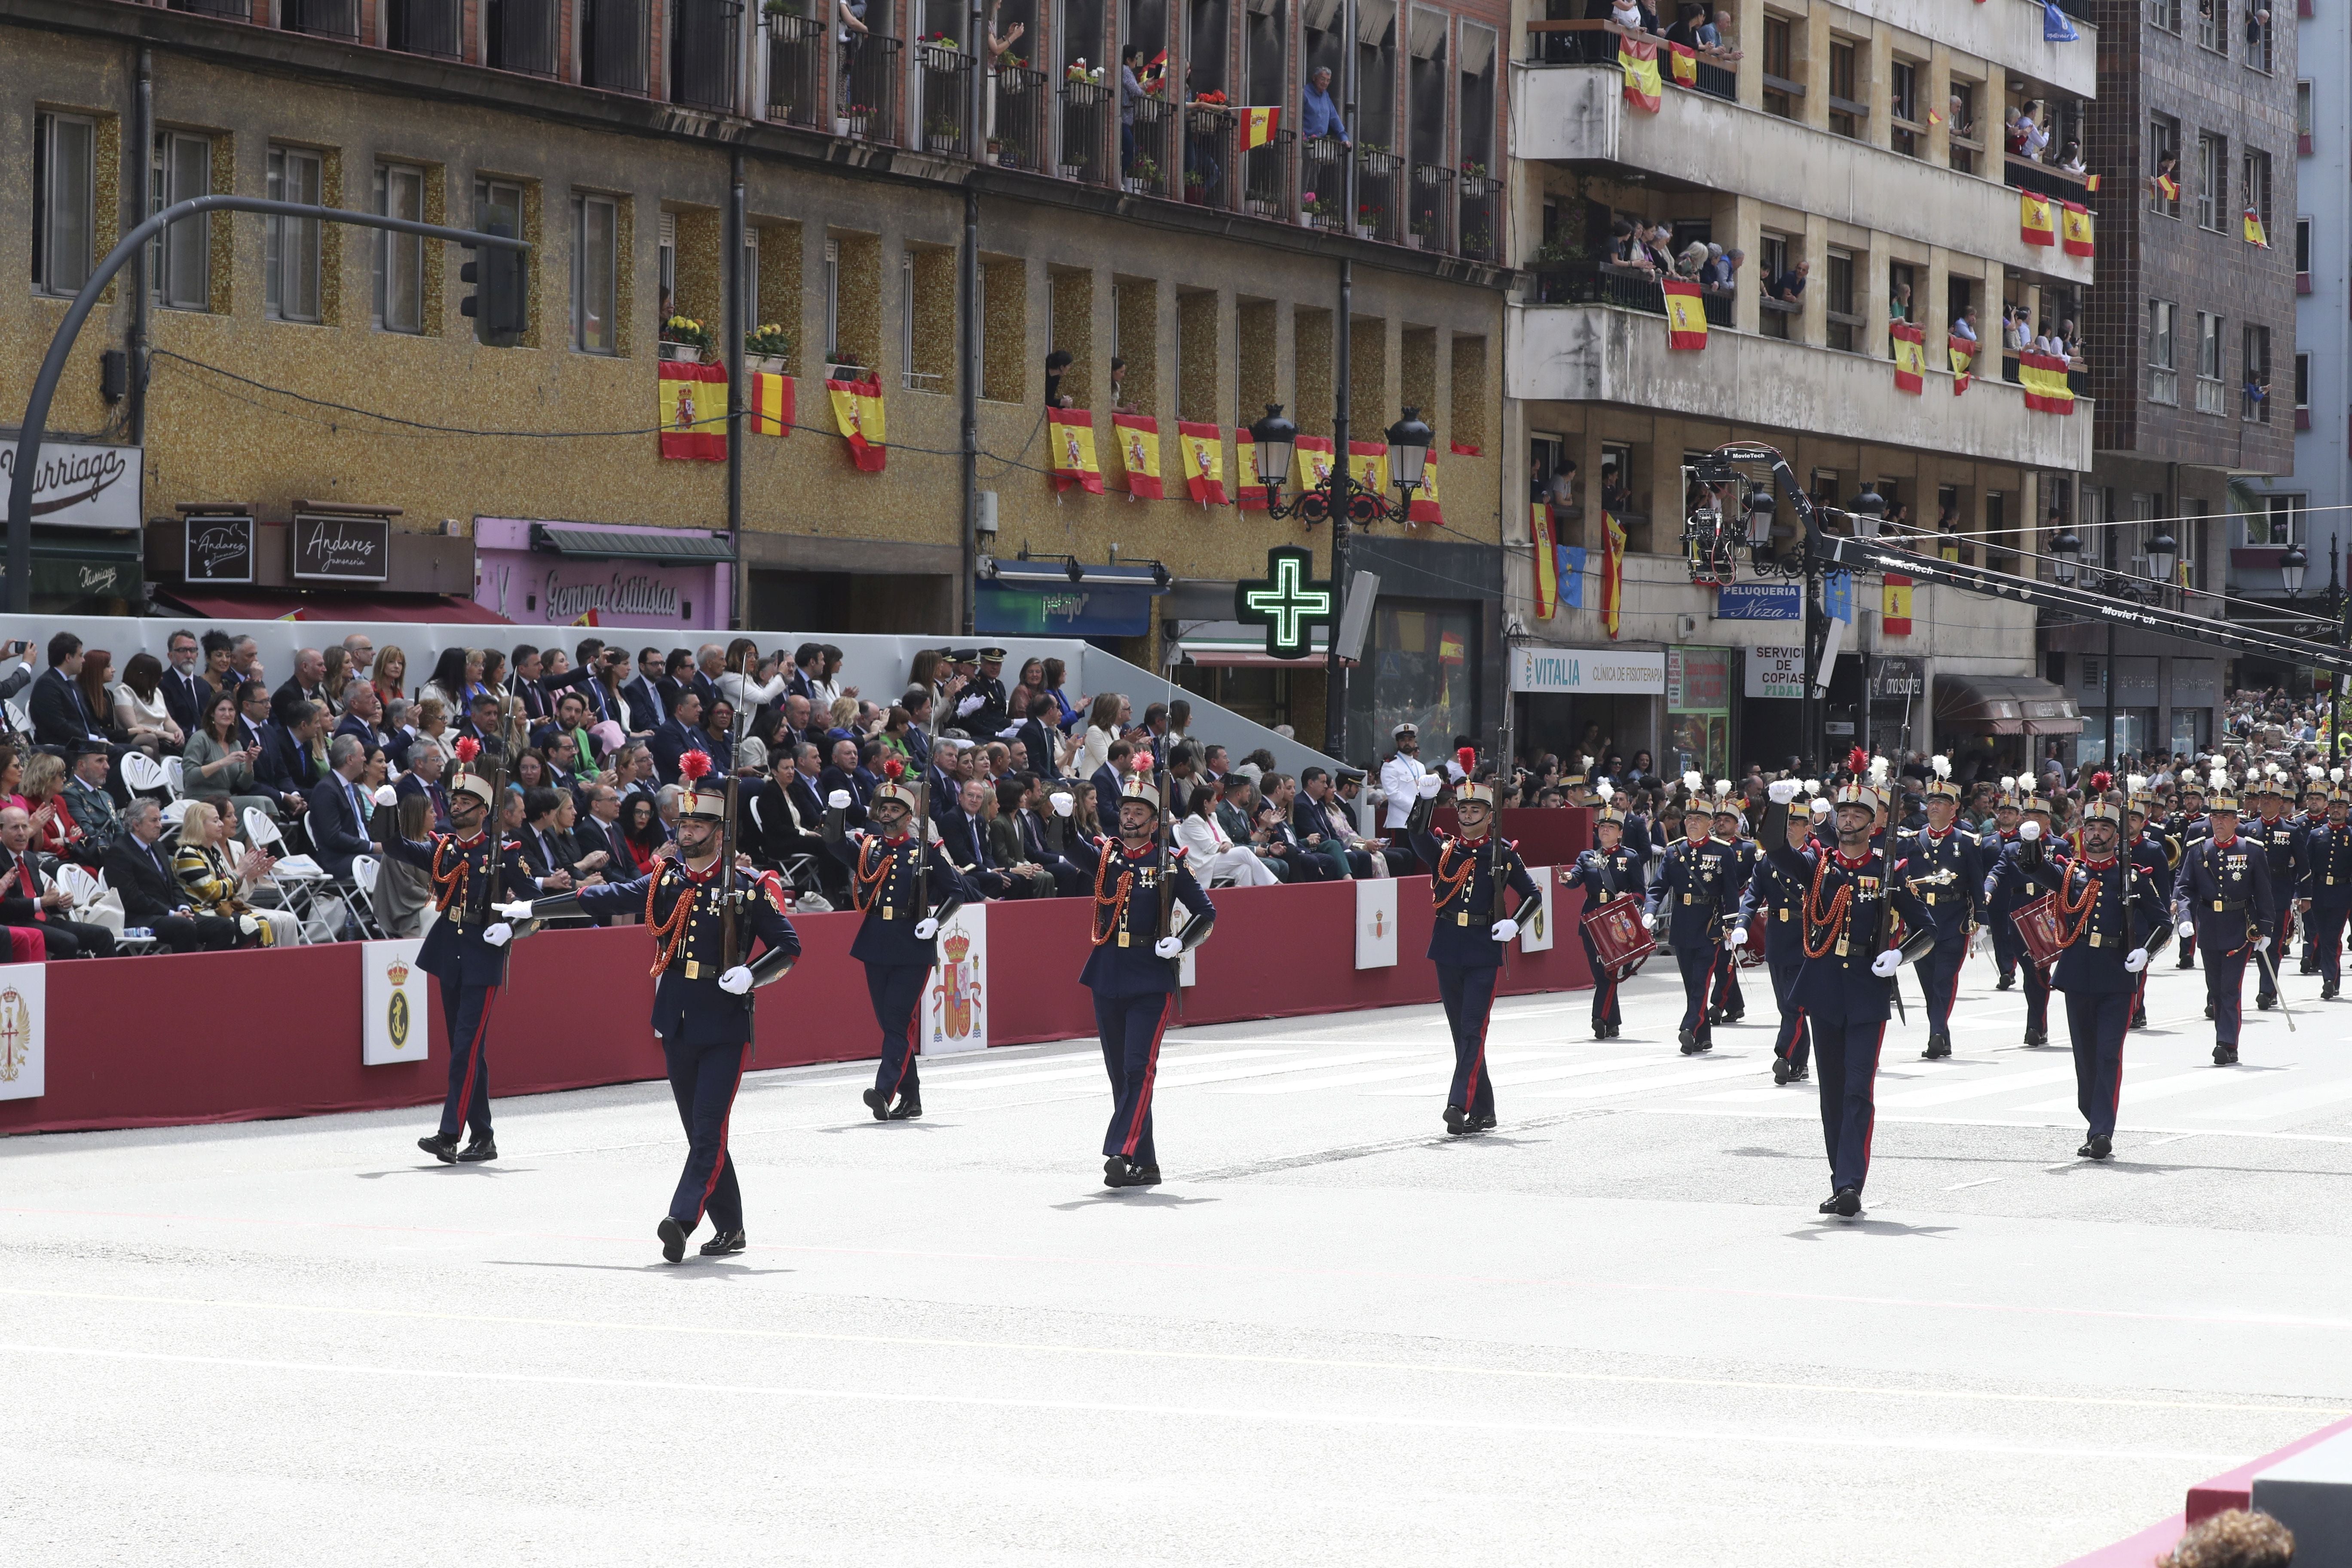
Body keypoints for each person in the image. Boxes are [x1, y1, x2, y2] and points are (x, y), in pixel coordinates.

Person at [520, 751, 801, 1262]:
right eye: (684, 822)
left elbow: (790, 947)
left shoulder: (746, 889)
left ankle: (682, 1218)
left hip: (724, 1022)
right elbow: (603, 896)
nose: (687, 830)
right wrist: (533, 908)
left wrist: (752, 973)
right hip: (677, 1017)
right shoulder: (667, 880)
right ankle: (733, 1228)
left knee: (709, 1128)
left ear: (721, 831)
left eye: (698, 824)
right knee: (703, 1132)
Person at [1763, 766, 1938, 1217]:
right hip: (1824, 988)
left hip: (1866, 988)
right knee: (1833, 1092)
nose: (1848, 819)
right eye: (1843, 812)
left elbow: (1928, 930)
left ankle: (1850, 1184)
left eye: (1859, 813)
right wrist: (1778, 806)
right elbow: (1777, 848)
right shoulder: (1819, 868)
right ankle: (1839, 1179)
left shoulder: (1889, 871)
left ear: (1874, 823)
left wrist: (1900, 955)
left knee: (1859, 1089)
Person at [380, 738, 555, 1165]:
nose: (454, 807)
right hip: (448, 949)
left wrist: (510, 931)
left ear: (483, 811)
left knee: (464, 1048)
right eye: (453, 799)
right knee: (467, 1048)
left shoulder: (507, 854)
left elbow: (537, 909)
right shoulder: (445, 849)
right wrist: (385, 810)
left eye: (464, 801)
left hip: (483, 953)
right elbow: (395, 846)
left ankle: (449, 1135)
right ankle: (485, 1137)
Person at [1061, 760, 1215, 1186]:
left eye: (1138, 813)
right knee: (1119, 1073)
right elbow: (1070, 849)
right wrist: (1058, 818)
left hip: (1150, 975)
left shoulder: (1168, 864)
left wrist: (1181, 942)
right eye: (1126, 811)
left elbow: (1206, 913)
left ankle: (1120, 1150)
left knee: (1138, 1069)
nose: (1129, 818)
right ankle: (1145, 1164)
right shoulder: (1107, 857)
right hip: (1108, 971)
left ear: (1153, 822)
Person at [823, 759, 973, 1119]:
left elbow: (957, 892)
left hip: (912, 944)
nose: (887, 814)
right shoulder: (869, 847)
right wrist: (835, 813)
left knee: (895, 1017)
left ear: (909, 816)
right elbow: (832, 843)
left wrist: (935, 922)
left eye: (895, 809)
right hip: (876, 940)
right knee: (893, 1023)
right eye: (883, 808)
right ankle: (913, 1098)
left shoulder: (925, 853)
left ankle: (883, 1090)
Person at [1404, 753, 1537, 1134]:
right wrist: (1425, 801)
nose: (1466, 816)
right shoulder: (1446, 852)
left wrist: (1515, 923)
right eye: (1462, 809)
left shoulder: (1503, 855)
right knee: (1460, 1032)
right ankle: (1486, 1110)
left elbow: (1533, 896)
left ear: (1489, 815)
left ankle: (1458, 1103)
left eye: (1475, 810)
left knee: (1472, 1030)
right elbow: (1416, 836)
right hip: (1447, 945)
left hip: (1482, 948)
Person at [2045, 789, 2171, 1161]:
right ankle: (2093, 1117)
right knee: (2084, 1058)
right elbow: (2037, 869)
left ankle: (2102, 1131)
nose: (2097, 834)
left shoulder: (2133, 876)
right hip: (2078, 973)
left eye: (2104, 827)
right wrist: (2031, 846)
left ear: (2118, 836)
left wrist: (2145, 951)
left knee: (2107, 1055)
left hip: (2117, 975)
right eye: (2091, 827)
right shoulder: (2072, 874)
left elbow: (2163, 923)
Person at [2173, 772, 2275, 1066]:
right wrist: (2185, 916)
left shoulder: (2251, 851)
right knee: (2215, 988)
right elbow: (2184, 887)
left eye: (2225, 817)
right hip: (2208, 926)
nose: (2218, 822)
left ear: (2236, 820)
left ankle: (2226, 1042)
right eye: (2215, 816)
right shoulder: (2198, 850)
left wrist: (2266, 928)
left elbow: (2263, 893)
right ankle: (2225, 1039)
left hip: (2239, 927)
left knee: (2230, 987)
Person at [1894, 757, 1986, 1060]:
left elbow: (1976, 883)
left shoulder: (1968, 842)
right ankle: (1942, 1035)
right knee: (1927, 981)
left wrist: (1982, 921)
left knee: (1943, 980)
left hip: (1954, 920)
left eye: (1941, 802)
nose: (1934, 806)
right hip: (1921, 923)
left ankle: (1935, 1035)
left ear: (1954, 808)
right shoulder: (1912, 841)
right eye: (1931, 801)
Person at [1647, 778, 1741, 1054]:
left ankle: (1689, 1027)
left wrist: (1731, 925)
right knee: (1691, 982)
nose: (1692, 823)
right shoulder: (1676, 850)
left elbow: (1731, 893)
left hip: (1709, 925)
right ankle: (1703, 1036)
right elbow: (1658, 886)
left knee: (1701, 980)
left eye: (1699, 819)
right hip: (1683, 924)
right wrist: (1650, 911)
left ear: (1710, 823)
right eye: (1689, 818)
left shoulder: (1722, 851)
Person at [1564, 781, 1649, 1039]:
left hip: (1617, 919)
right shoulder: (1586, 856)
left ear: (1620, 833)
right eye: (1602, 827)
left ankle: (1600, 1018)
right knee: (1599, 972)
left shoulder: (1630, 857)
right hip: (1592, 918)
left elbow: (1641, 892)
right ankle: (1613, 1021)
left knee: (1610, 971)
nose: (1605, 831)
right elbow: (1576, 879)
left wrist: (1629, 897)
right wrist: (1567, 878)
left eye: (1611, 827)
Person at [1984, 784, 2064, 1047]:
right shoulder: (2011, 849)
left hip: (2048, 912)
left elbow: (2069, 876)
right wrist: (1988, 889)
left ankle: (2035, 1025)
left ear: (2046, 821)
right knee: (2031, 971)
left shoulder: (2059, 846)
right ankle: (2038, 1024)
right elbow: (1997, 872)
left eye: (2036, 818)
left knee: (2041, 971)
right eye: (2026, 817)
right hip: (2020, 914)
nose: (2030, 821)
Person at [104, 797, 239, 953]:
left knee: (224, 926)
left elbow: (174, 885)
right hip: (141, 917)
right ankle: (183, 975)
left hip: (170, 914)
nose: (160, 826)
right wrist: (171, 913)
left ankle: (204, 972)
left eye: (160, 820)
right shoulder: (119, 852)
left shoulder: (158, 846)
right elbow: (131, 898)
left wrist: (183, 907)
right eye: (154, 821)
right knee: (184, 927)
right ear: (136, 825)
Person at [172, 799, 300, 947]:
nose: (221, 824)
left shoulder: (212, 853)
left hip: (223, 908)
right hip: (202, 911)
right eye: (216, 821)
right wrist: (239, 873)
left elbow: (228, 892)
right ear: (200, 825)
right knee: (260, 922)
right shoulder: (188, 854)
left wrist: (250, 875)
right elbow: (212, 892)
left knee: (280, 919)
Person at [0, 804, 113, 957]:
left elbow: (40, 898)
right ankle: (57, 981)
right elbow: (4, 905)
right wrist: (42, 902)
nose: (21, 833)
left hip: (44, 919)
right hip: (16, 922)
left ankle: (107, 981)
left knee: (103, 934)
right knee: (69, 941)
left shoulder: (30, 858)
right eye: (15, 828)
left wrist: (60, 904)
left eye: (25, 827)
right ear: (1, 831)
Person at [2247, 777, 2307, 1011]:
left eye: (2272, 799)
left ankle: (2267, 990)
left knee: (2273, 944)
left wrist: (2305, 895)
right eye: (2263, 798)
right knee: (2251, 942)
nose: (2266, 803)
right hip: (2252, 893)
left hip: (2279, 891)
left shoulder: (2291, 830)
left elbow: (2304, 867)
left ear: (2280, 803)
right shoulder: (2249, 828)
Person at [2303, 780, 2352, 998]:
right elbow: (2307, 868)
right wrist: (2302, 894)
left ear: (2347, 811)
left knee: (2333, 937)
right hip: (2320, 892)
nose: (2336, 810)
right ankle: (2334, 979)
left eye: (2340, 807)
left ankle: (2329, 980)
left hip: (2343, 893)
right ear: (2327, 808)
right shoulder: (2317, 835)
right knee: (2323, 937)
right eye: (2333, 806)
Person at [159, 628, 212, 741]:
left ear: (197, 655)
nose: (188, 655)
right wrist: (198, 741)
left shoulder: (203, 685)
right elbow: (169, 721)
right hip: (180, 742)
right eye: (182, 650)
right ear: (170, 656)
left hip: (206, 743)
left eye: (192, 650)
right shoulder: (162, 683)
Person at [1300, 64, 1348, 146]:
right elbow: (1296, 117)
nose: (1325, 83)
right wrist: (1304, 137)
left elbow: (1334, 118)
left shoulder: (1326, 96)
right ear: (1314, 78)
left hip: (1320, 143)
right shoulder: (1305, 93)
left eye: (1328, 80)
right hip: (1306, 143)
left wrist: (1344, 138)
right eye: (1322, 79)